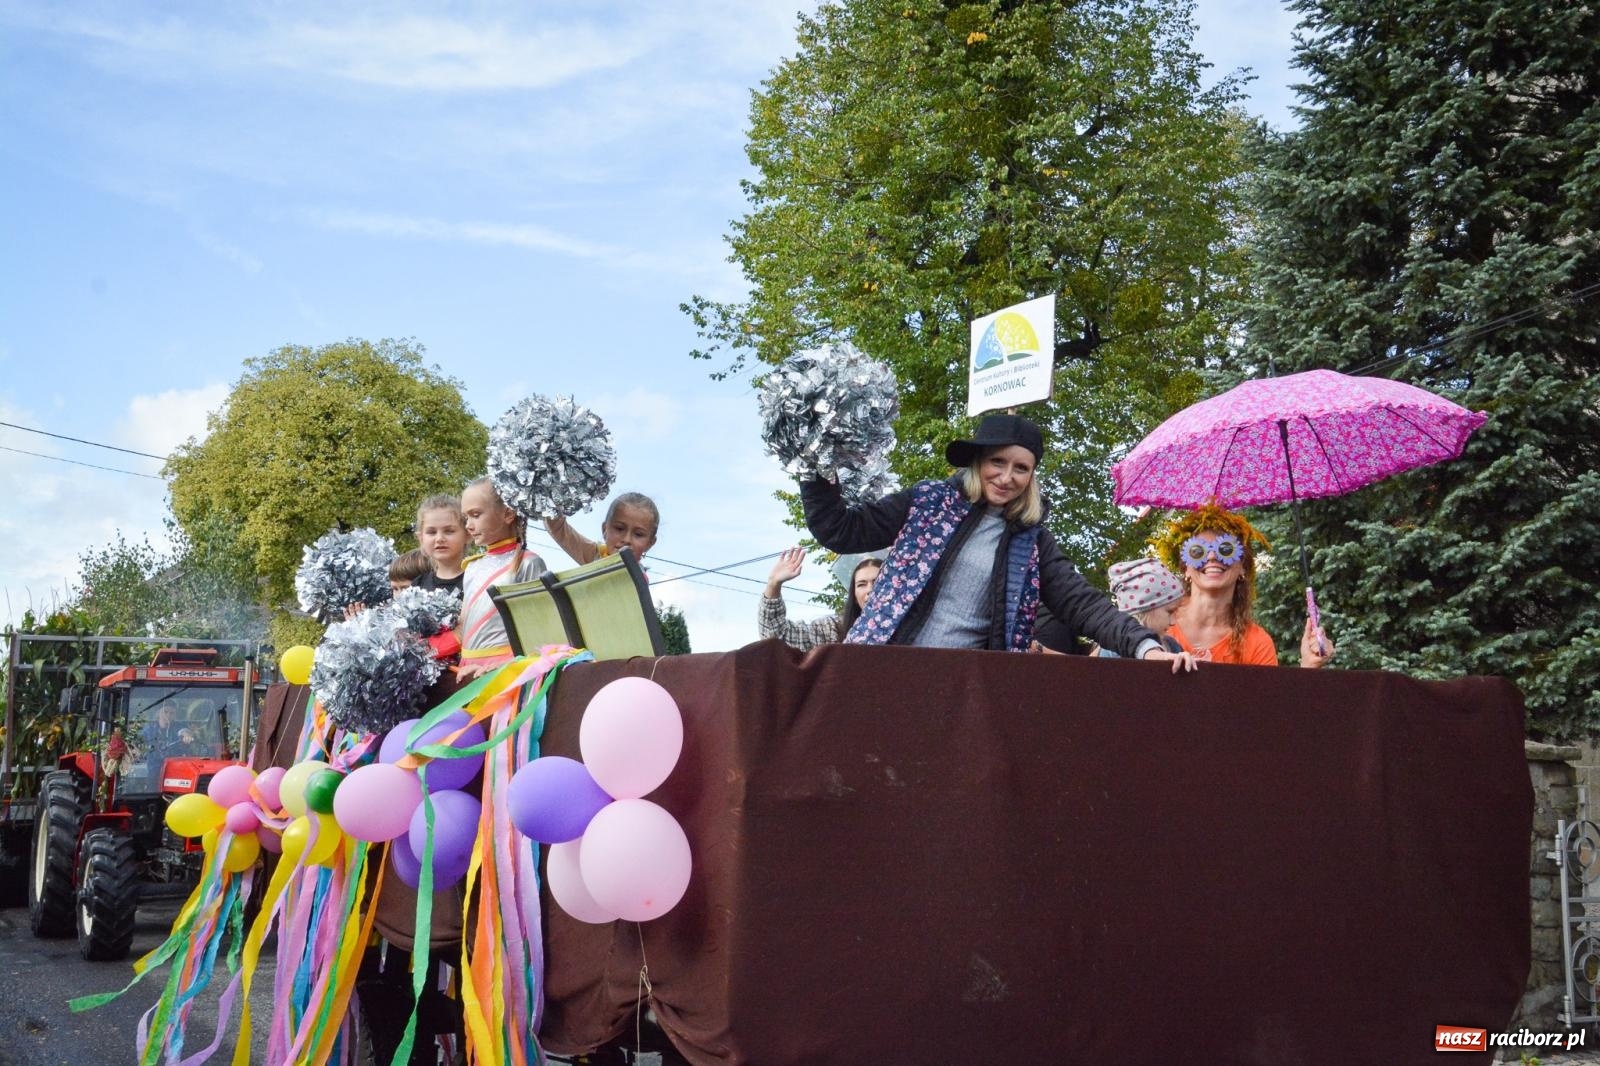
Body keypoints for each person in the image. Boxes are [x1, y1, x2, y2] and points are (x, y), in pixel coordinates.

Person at [800, 413, 1196, 669]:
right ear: (978, 462)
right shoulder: (927, 501)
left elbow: (1083, 605)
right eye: (998, 462)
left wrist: (1145, 647)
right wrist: (814, 467)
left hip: (964, 684)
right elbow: (841, 530)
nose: (1007, 477)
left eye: (1021, 468)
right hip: (880, 664)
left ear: (1032, 477)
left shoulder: (1032, 542)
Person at [1152, 504, 1335, 667]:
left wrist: (1308, 666)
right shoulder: (1157, 621)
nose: (1211, 557)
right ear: (1185, 568)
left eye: (1225, 549)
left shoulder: (1257, 643)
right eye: (1198, 551)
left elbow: (1271, 703)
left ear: (1242, 568)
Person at [456, 477, 548, 679]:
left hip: (504, 672)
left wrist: (507, 665)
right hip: (466, 669)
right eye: (466, 517)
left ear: (508, 513)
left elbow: (539, 628)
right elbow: (463, 625)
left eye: (476, 515)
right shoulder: (472, 566)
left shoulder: (529, 563)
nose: (469, 525)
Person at [760, 548, 885, 650]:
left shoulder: (904, 627)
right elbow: (775, 637)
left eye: (877, 582)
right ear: (854, 595)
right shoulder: (832, 629)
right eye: (861, 584)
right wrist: (773, 583)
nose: (870, 589)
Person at [1086, 557, 1186, 657]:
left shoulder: (1173, 646)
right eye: (1170, 611)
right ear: (1144, 609)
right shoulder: (1112, 652)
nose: (1173, 622)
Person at [544, 492, 660, 566]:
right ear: (605, 530)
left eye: (638, 534)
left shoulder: (640, 581)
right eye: (619, 529)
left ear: (650, 543)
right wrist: (557, 493)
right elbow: (556, 526)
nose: (627, 539)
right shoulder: (595, 555)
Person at [412, 494, 468, 595]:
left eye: (449, 531)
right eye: (431, 532)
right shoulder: (418, 586)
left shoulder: (477, 581)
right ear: (421, 538)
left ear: (467, 535)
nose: (439, 539)